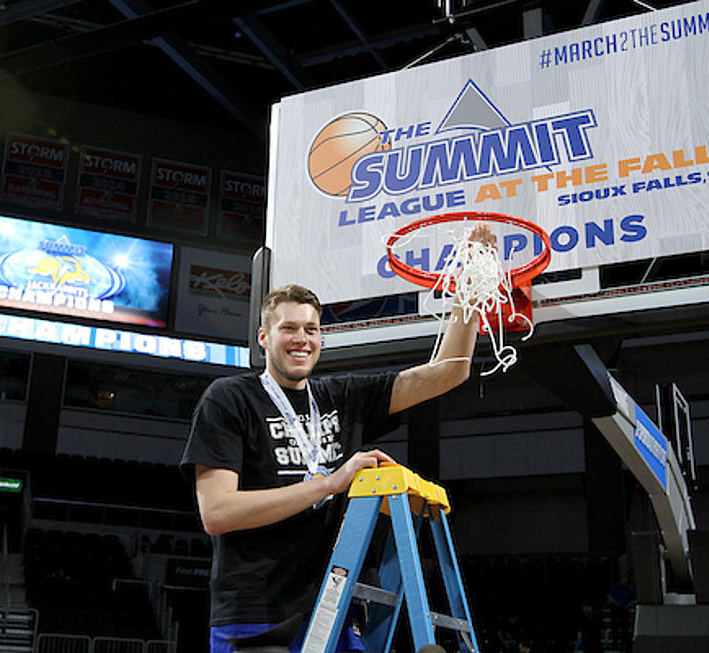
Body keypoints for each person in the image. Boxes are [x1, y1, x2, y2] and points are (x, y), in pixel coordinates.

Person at [180, 227, 492, 653]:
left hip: (335, 606)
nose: (301, 339)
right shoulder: (230, 398)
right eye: (289, 328)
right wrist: (328, 484)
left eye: (311, 329)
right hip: (257, 613)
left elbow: (448, 372)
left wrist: (472, 288)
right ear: (263, 338)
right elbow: (217, 512)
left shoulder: (340, 397)